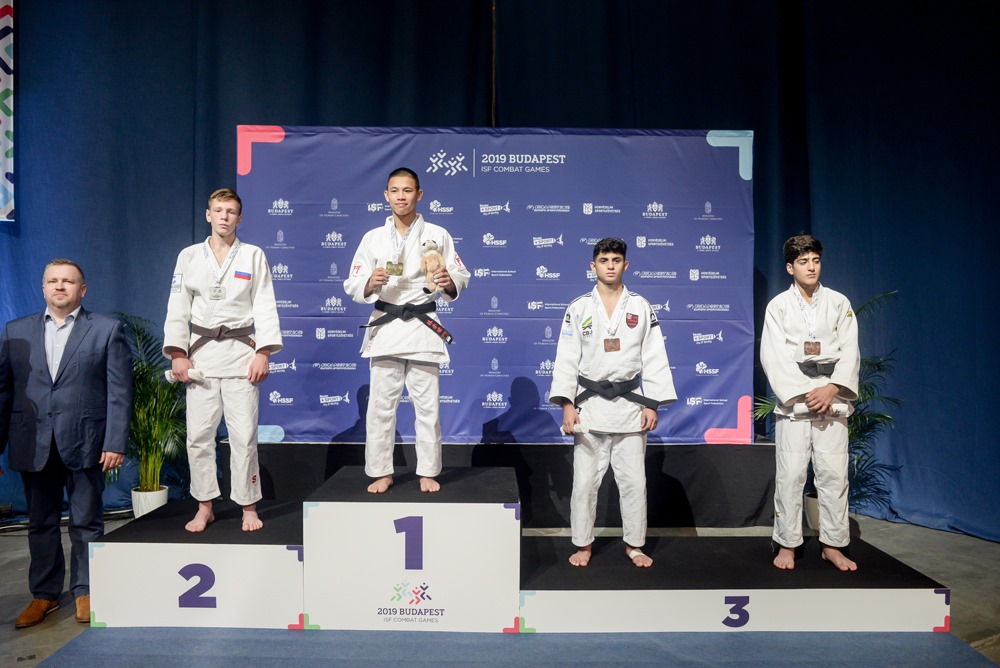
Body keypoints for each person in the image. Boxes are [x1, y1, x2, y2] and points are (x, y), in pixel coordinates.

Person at [0, 259, 132, 628]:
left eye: (68, 281)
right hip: (32, 442)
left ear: (82, 289)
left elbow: (120, 391)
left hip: (87, 441)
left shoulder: (106, 329)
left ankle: (86, 590)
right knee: (40, 523)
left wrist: (115, 441)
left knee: (87, 522)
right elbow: (3, 392)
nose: (60, 286)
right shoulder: (14, 331)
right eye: (53, 281)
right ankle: (44, 594)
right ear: (43, 288)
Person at [549, 238, 676, 568]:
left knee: (634, 483)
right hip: (589, 408)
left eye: (616, 260)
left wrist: (652, 403)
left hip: (630, 408)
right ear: (593, 265)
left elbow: (654, 357)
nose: (610, 265)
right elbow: (566, 358)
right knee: (584, 484)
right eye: (604, 260)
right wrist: (566, 405)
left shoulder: (641, 307)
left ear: (625, 265)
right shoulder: (578, 308)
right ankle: (583, 544)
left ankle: (634, 545)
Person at [344, 167, 470, 494]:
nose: (401, 196)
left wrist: (449, 282)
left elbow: (460, 275)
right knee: (381, 407)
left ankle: (427, 470)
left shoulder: (438, 234)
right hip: (386, 326)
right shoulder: (372, 238)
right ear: (386, 195)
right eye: (395, 190)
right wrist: (369, 282)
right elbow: (352, 282)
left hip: (422, 326)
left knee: (427, 406)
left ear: (419, 194)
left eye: (408, 190)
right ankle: (381, 471)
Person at [163, 188, 282, 533]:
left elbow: (265, 305)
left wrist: (263, 352)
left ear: (239, 218)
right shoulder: (188, 256)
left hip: (241, 356)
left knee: (244, 437)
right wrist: (178, 354)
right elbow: (178, 307)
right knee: (199, 437)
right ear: (208, 215)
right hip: (201, 358)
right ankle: (205, 506)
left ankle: (248, 505)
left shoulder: (253, 255)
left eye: (231, 211)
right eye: (218, 210)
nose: (224, 216)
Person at [760, 233, 860, 571]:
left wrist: (831, 389)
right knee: (791, 476)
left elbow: (851, 350)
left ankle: (833, 544)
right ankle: (787, 543)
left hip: (833, 398)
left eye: (815, 260)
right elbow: (773, 355)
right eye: (803, 262)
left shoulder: (839, 302)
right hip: (796, 403)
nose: (811, 267)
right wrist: (807, 393)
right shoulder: (778, 306)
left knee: (833, 474)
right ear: (790, 267)